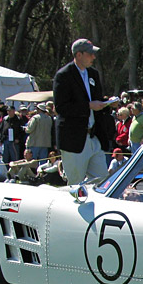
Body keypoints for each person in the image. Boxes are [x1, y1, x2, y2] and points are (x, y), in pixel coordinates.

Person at [52, 38, 116, 185]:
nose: (93, 57)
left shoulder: (93, 74)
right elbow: (61, 107)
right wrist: (88, 105)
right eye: (90, 54)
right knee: (75, 184)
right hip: (74, 139)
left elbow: (96, 99)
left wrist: (108, 103)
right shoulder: (63, 75)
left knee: (102, 182)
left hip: (94, 137)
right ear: (78, 55)